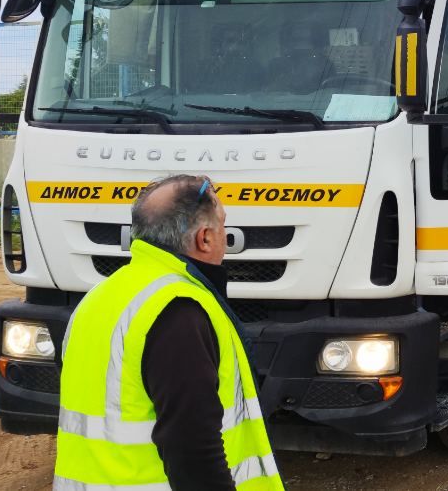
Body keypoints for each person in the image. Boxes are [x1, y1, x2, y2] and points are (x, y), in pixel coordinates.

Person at [54, 174, 282, 490]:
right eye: (223, 226)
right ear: (204, 238)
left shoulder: (100, 297)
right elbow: (192, 449)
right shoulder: (178, 309)